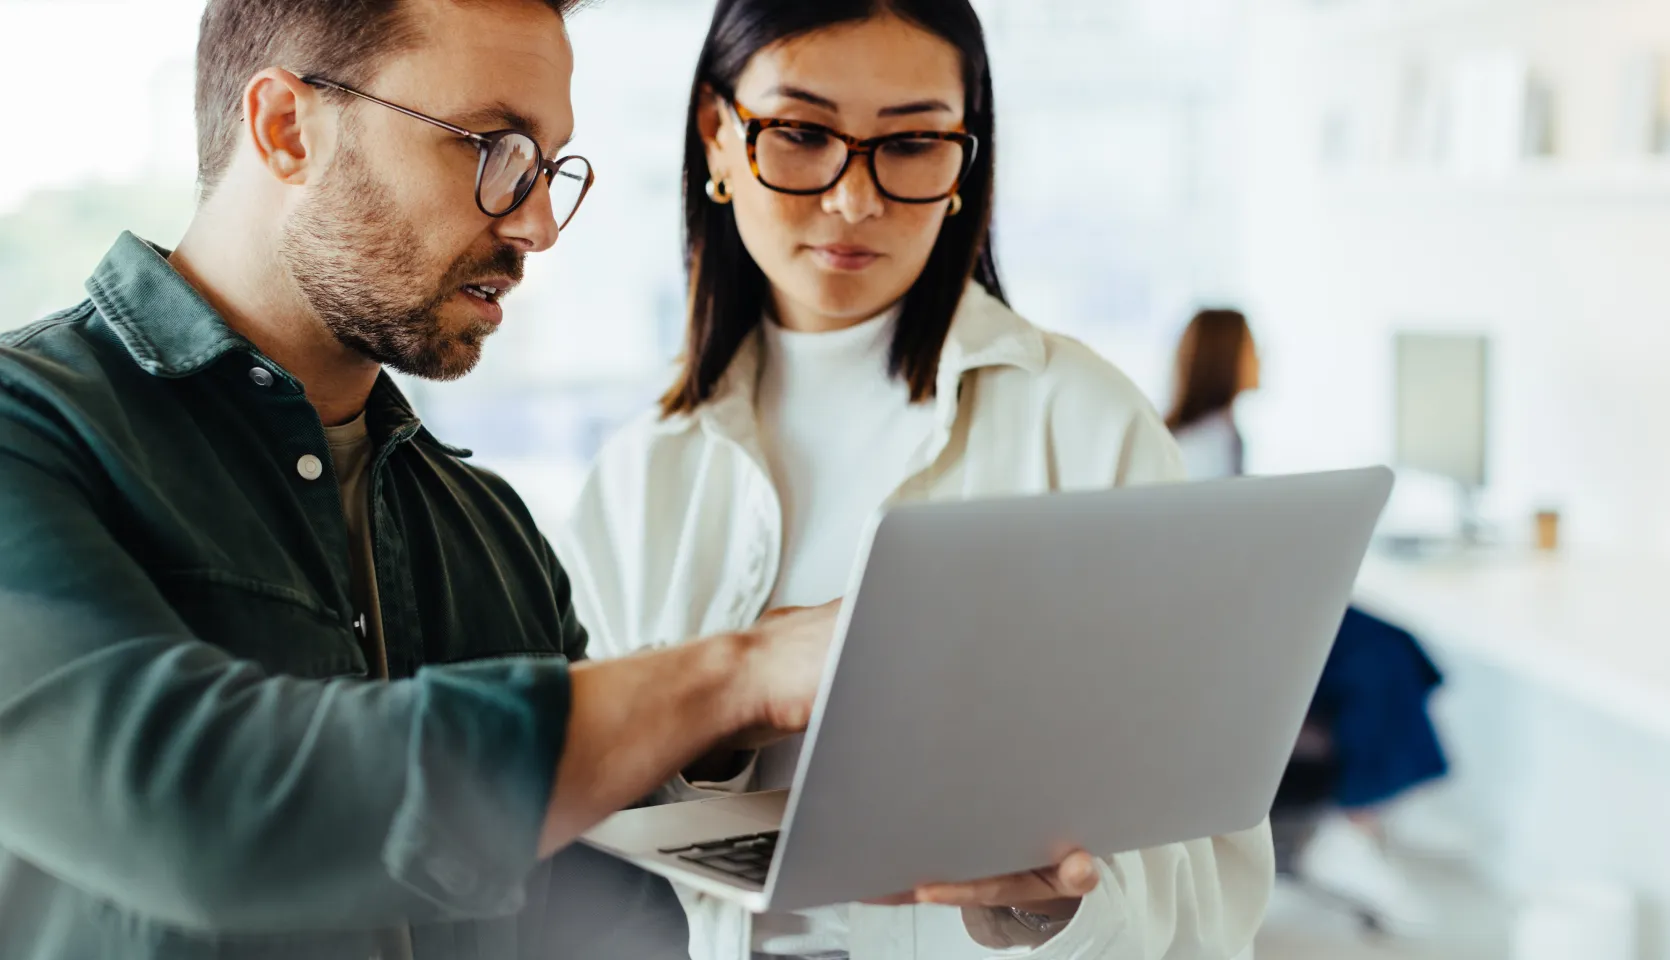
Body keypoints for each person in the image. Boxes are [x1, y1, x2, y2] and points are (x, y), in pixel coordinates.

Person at [0, 2, 852, 958]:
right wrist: (737, 675)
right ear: (288, 129)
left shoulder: (490, 529)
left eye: (547, 168)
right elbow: (197, 806)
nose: (535, 225)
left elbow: (610, 927)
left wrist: (939, 852)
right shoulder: (26, 429)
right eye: (494, 147)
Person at [555, 2, 1275, 958]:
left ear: (966, 159)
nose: (856, 200)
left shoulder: (1087, 425)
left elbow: (1212, 880)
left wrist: (1052, 913)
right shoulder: (640, 477)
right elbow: (585, 845)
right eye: (803, 134)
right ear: (716, 136)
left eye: (913, 144)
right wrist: (715, 712)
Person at [1165, 309, 1449, 935]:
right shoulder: (1202, 445)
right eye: (1252, 349)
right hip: (1235, 633)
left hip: (1253, 612)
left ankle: (1369, 811)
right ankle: (1359, 817)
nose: (1262, 359)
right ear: (1226, 358)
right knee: (1383, 661)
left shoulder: (1216, 433)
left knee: (1399, 649)